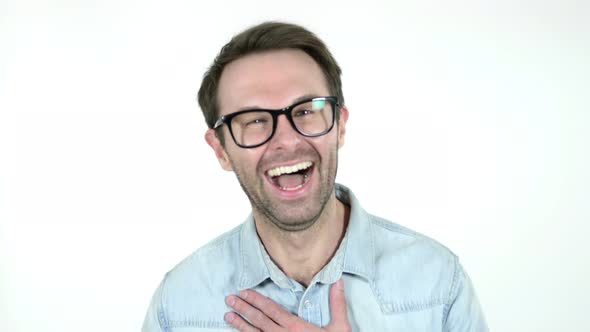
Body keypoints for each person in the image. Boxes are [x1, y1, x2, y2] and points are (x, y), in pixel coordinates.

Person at [142, 21, 488, 331]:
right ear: (220, 149)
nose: (287, 140)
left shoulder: (439, 281)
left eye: (306, 111)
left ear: (340, 126)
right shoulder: (177, 304)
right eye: (254, 120)